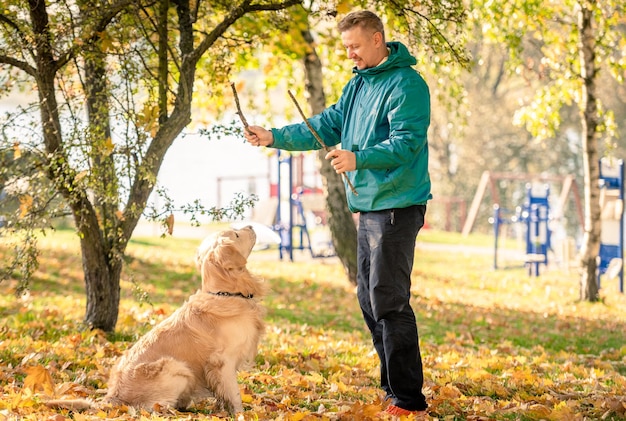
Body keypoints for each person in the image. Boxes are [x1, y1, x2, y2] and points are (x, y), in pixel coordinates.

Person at [244, 10, 431, 417]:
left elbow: (407, 143)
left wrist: (358, 157)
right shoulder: (357, 85)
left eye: (356, 46)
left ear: (378, 39)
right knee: (368, 297)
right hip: (368, 206)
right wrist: (273, 136)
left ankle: (409, 400)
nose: (351, 54)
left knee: (389, 300)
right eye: (346, 47)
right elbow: (327, 125)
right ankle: (392, 387)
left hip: (398, 205)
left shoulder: (408, 85)